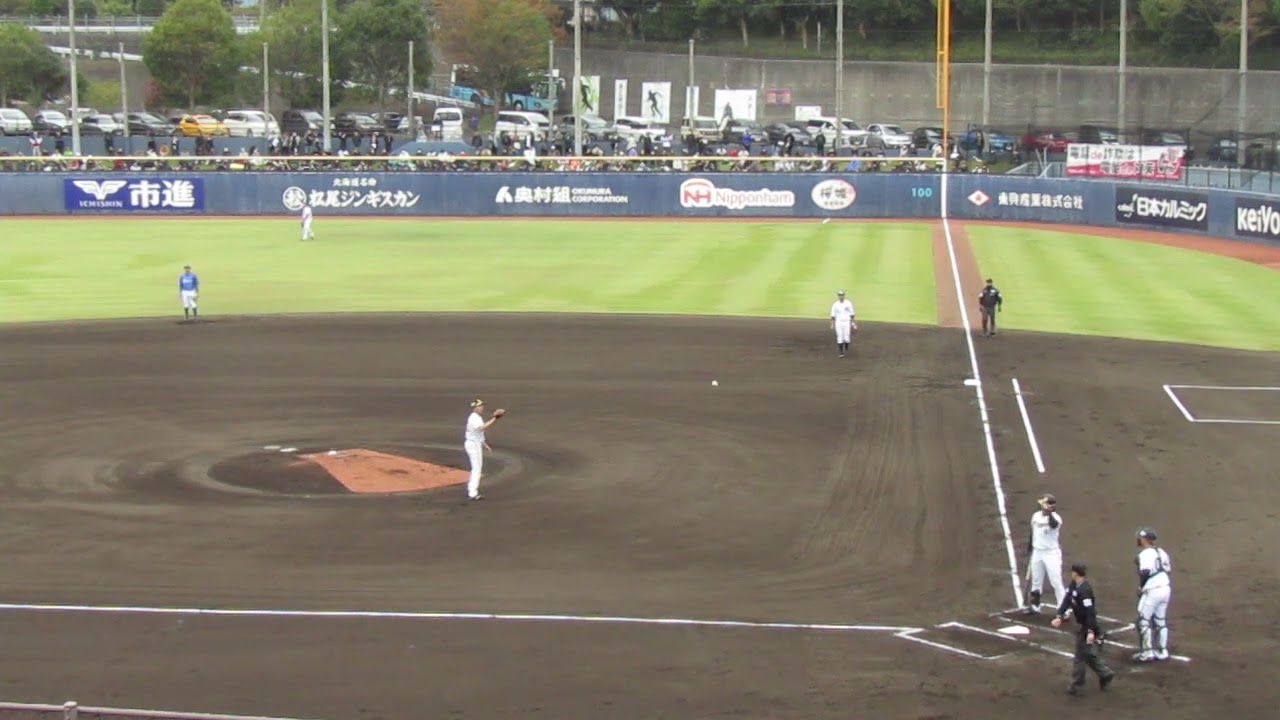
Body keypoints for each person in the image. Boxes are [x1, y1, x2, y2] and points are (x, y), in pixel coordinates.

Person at [1052, 562, 1116, 696]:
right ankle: (1105, 673)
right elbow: (1067, 600)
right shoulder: (1074, 585)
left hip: (1088, 626)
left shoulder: (1085, 591)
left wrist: (1091, 631)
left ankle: (1077, 686)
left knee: (1080, 657)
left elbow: (1090, 613)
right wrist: (1059, 615)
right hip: (1084, 625)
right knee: (1086, 653)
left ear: (1076, 573)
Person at [1133, 527, 1173, 662]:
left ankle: (1147, 653)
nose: (1138, 540)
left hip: (1153, 591)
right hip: (1165, 588)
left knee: (1142, 621)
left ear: (1145, 539)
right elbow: (1168, 569)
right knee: (1160, 620)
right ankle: (1162, 651)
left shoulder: (1145, 554)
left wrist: (1141, 587)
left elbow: (1145, 572)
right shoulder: (1162, 552)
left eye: (1140, 538)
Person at [1023, 494, 1066, 615]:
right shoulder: (1035, 516)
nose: (1041, 506)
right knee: (1036, 581)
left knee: (1056, 582)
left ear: (1051, 507)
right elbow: (1033, 532)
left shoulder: (1056, 519)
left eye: (1044, 504)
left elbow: (1053, 525)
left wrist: (1049, 512)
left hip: (1051, 553)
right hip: (1037, 552)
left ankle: (1064, 609)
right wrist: (1030, 546)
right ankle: (1035, 606)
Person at [463, 399, 506, 501]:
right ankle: (472, 493)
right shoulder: (474, 418)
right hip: (473, 445)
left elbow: (477, 433)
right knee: (477, 469)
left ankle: (471, 490)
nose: (482, 407)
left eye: (482, 405)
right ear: (475, 408)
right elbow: (482, 428)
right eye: (480, 406)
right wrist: (495, 418)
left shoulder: (476, 417)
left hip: (473, 443)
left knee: (476, 468)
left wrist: (484, 444)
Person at [829, 290, 857, 358]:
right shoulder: (835, 304)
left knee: (846, 338)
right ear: (838, 296)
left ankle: (846, 345)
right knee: (839, 337)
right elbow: (833, 314)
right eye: (839, 295)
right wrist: (832, 324)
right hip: (838, 322)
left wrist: (853, 323)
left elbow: (852, 314)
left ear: (844, 295)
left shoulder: (848, 303)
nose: (841, 296)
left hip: (846, 322)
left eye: (842, 295)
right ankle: (841, 352)